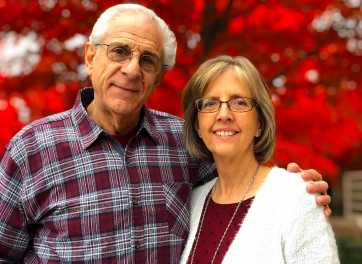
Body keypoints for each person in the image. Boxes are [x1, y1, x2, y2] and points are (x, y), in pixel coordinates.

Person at [0, 4, 331, 264]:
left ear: (158, 77)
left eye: (147, 60)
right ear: (90, 56)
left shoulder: (185, 142)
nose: (131, 69)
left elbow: (242, 181)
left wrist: (298, 188)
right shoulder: (31, 150)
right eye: (119, 51)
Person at [179, 56, 339, 264]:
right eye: (210, 103)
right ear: (198, 127)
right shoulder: (193, 201)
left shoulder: (295, 196)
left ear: (260, 124)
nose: (224, 114)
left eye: (239, 102)